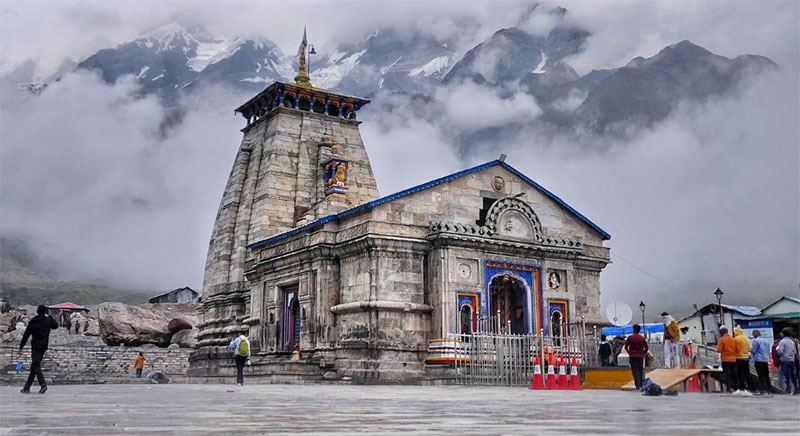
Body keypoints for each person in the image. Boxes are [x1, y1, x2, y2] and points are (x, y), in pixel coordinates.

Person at [18, 304, 58, 394]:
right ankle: (27, 387)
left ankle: (43, 385)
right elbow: (55, 326)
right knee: (34, 365)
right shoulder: (48, 320)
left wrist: (21, 347)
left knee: (36, 365)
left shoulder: (33, 321)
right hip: (43, 346)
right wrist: (50, 316)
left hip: (35, 346)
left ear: (37, 311)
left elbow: (26, 335)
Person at [624, 324, 649, 390]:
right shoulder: (642, 338)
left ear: (633, 329)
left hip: (633, 356)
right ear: (639, 330)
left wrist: (629, 353)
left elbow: (626, 347)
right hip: (640, 357)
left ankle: (637, 385)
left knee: (635, 371)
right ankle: (641, 385)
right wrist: (643, 353)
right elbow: (646, 347)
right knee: (640, 371)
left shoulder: (630, 338)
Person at [776, 327, 798, 394]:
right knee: (793, 375)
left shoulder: (782, 341)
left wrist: (777, 350)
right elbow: (795, 352)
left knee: (787, 376)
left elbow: (780, 351)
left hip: (785, 360)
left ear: (784, 333)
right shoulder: (792, 341)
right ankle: (796, 389)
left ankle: (788, 389)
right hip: (792, 360)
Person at [749, 329, 772, 394]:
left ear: (756, 334)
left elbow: (753, 350)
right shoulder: (766, 341)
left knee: (760, 375)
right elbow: (768, 349)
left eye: (753, 333)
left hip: (758, 360)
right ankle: (769, 388)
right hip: (765, 359)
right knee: (766, 375)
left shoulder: (756, 341)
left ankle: (762, 389)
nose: (752, 335)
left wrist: (749, 350)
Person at [733, 326, 753, 395]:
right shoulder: (746, 338)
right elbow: (748, 348)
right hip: (746, 357)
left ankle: (742, 387)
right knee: (747, 373)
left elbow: (736, 348)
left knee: (740, 373)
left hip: (739, 357)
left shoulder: (736, 339)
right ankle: (750, 387)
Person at [716, 326, 738, 393]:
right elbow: (737, 349)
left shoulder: (721, 340)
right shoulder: (733, 339)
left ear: (721, 332)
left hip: (725, 359)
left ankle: (728, 388)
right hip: (733, 359)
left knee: (727, 375)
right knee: (734, 374)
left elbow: (719, 350)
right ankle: (736, 388)